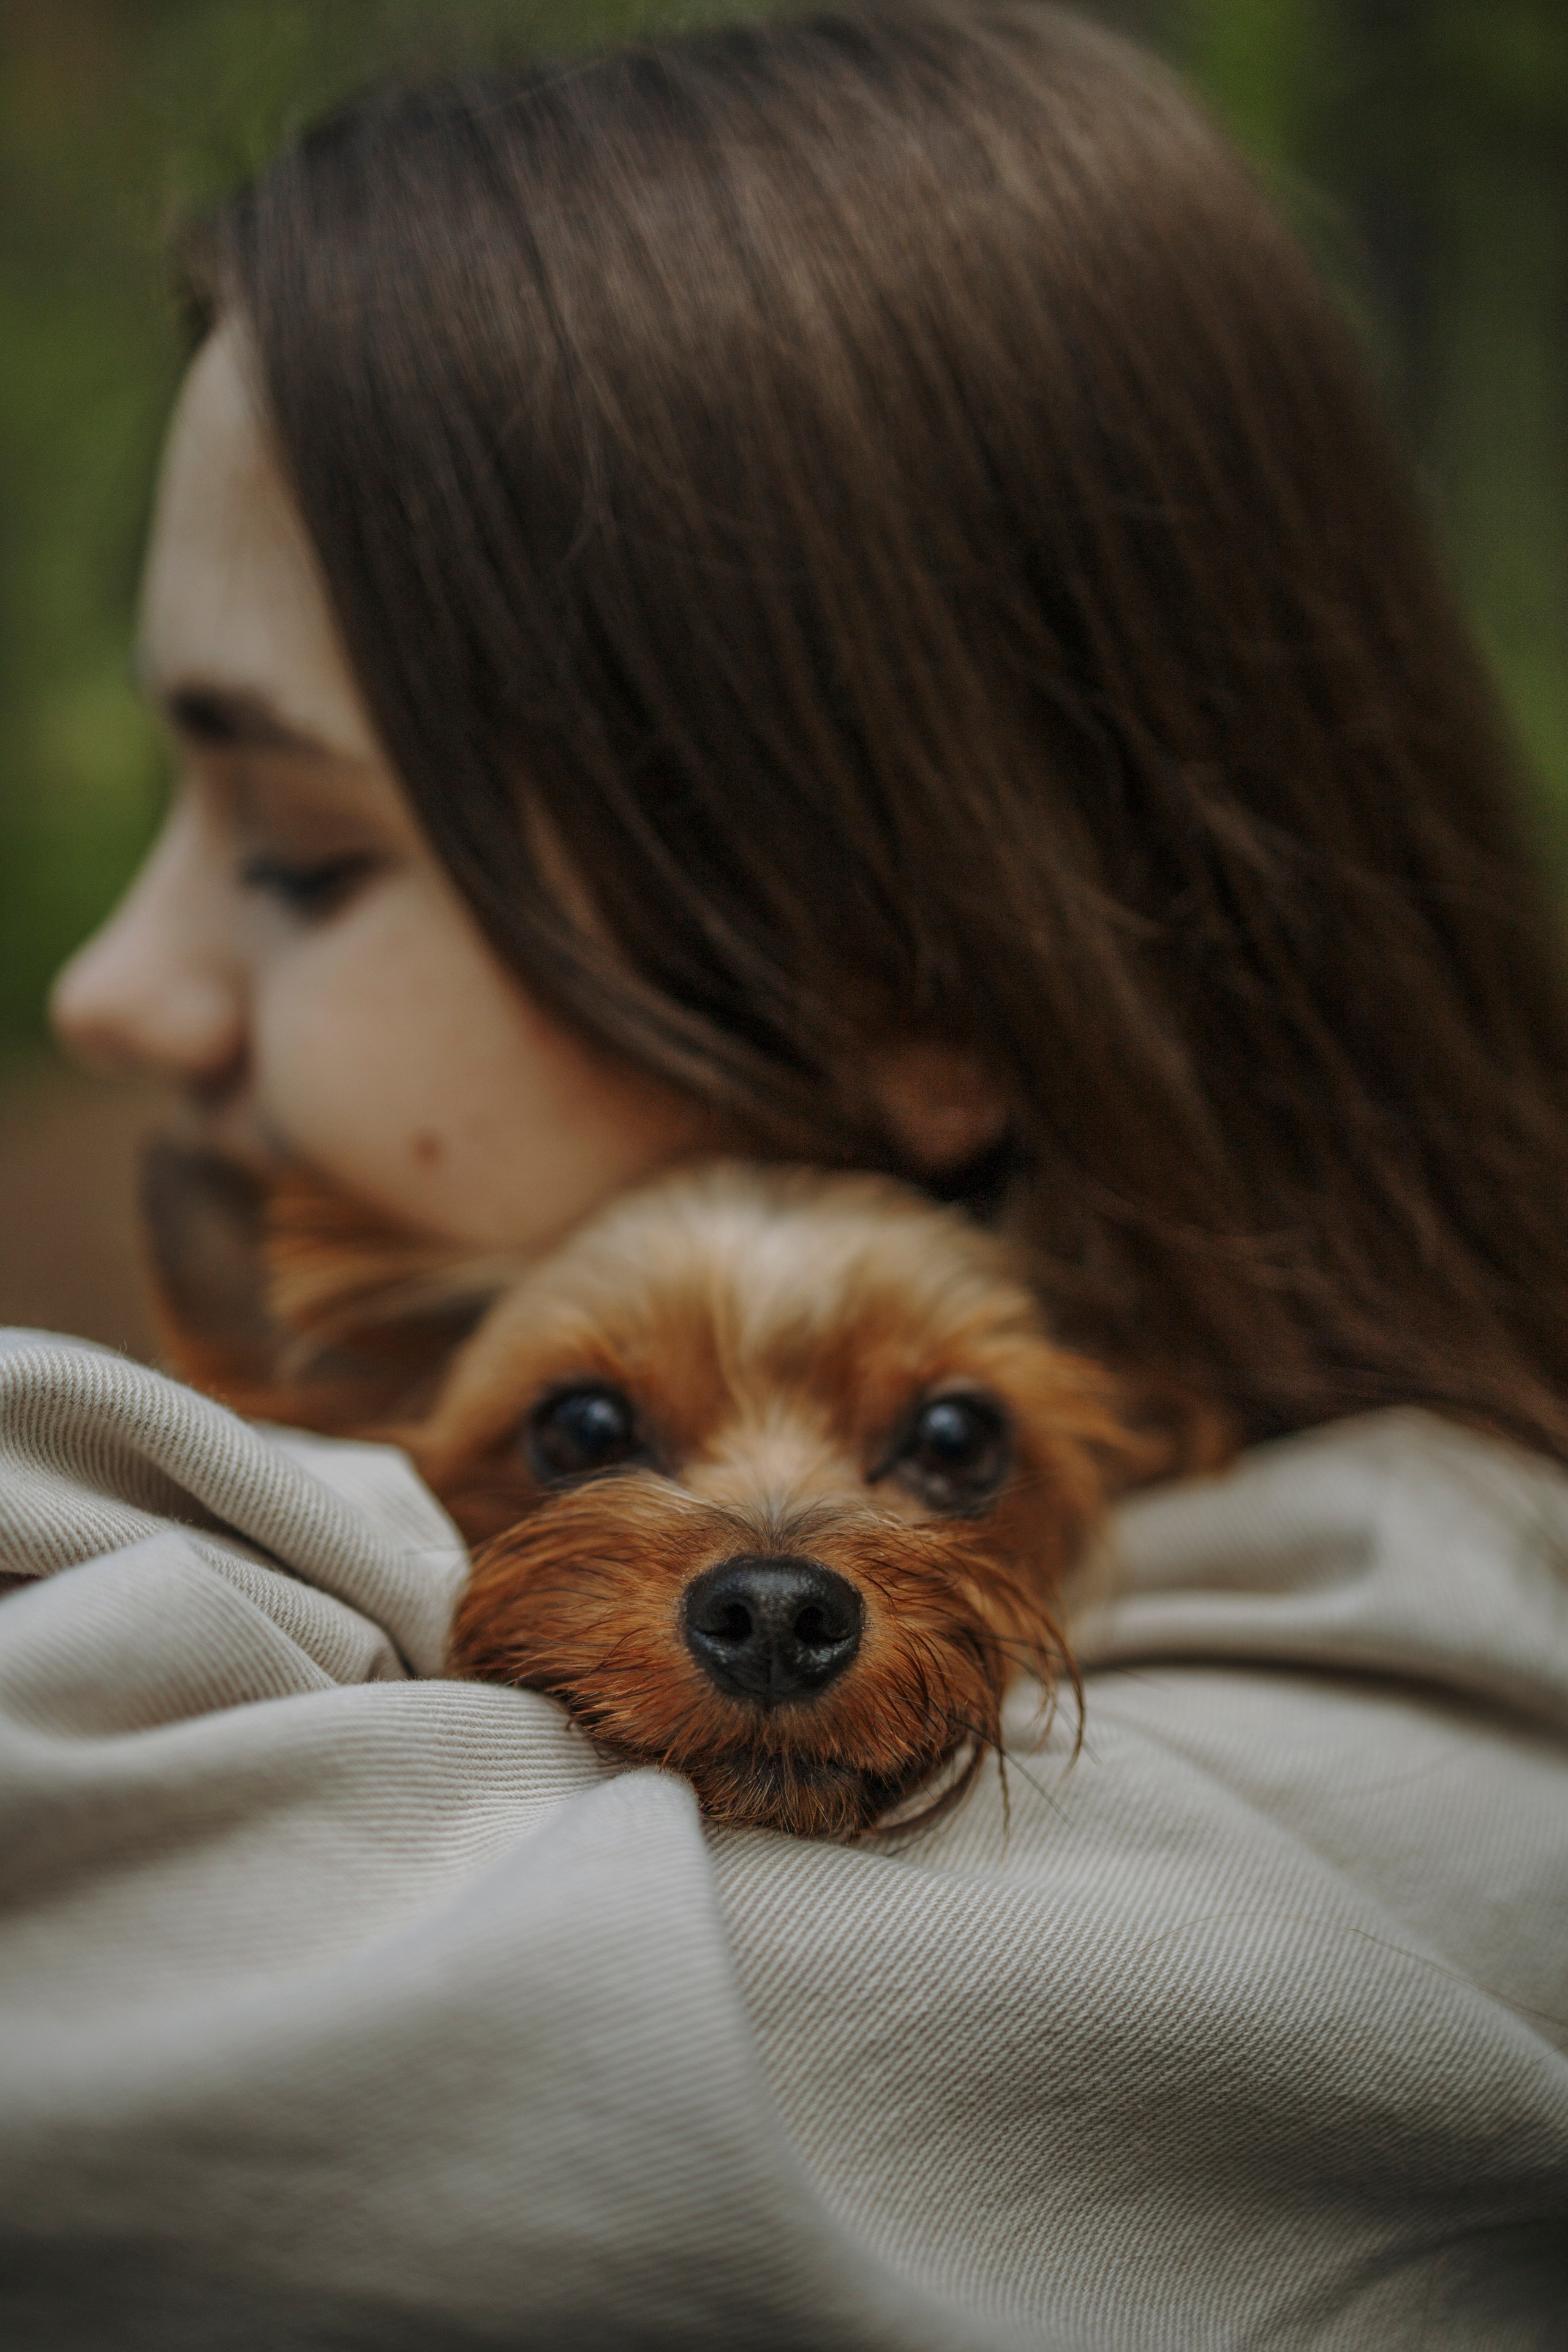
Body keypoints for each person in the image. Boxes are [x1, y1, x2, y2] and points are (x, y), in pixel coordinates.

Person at [2, 5, 1564, 2343]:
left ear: (902, 960)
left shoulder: (1378, 1796)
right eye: (585, 1437)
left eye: (308, 852)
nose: (112, 991)